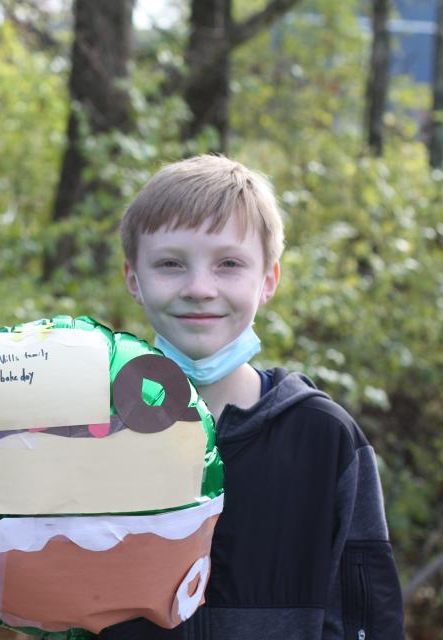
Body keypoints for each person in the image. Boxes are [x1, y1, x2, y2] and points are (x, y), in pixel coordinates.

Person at [102, 155, 404, 639]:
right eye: (170, 264)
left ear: (268, 281)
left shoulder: (325, 439)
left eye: (229, 264)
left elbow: (368, 620)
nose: (199, 288)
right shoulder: (90, 429)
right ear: (133, 279)